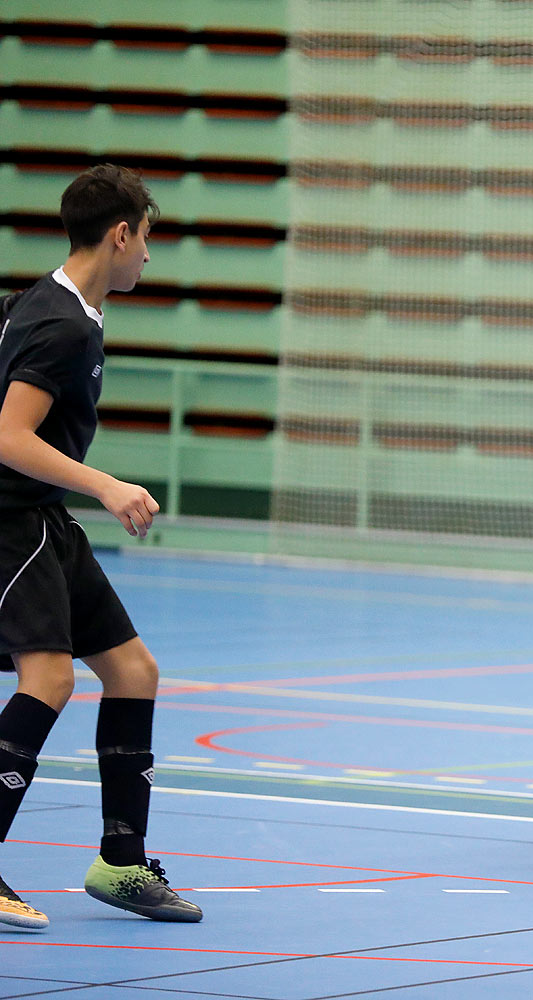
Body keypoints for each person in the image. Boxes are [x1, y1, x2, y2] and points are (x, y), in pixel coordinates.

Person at [0, 165, 202, 929]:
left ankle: (121, 861)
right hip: (11, 521)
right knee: (48, 678)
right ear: (120, 234)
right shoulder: (63, 324)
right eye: (147, 238)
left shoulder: (44, 303)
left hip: (45, 523)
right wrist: (107, 484)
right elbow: (8, 437)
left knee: (132, 670)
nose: (149, 256)